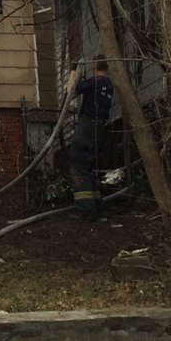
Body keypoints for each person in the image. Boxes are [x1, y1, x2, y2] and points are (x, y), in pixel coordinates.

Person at [66, 57, 114, 221]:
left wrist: (73, 71)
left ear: (94, 67)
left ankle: (85, 209)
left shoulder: (94, 82)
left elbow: (71, 91)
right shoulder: (108, 84)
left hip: (87, 127)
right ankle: (96, 206)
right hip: (99, 129)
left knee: (78, 163)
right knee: (88, 166)